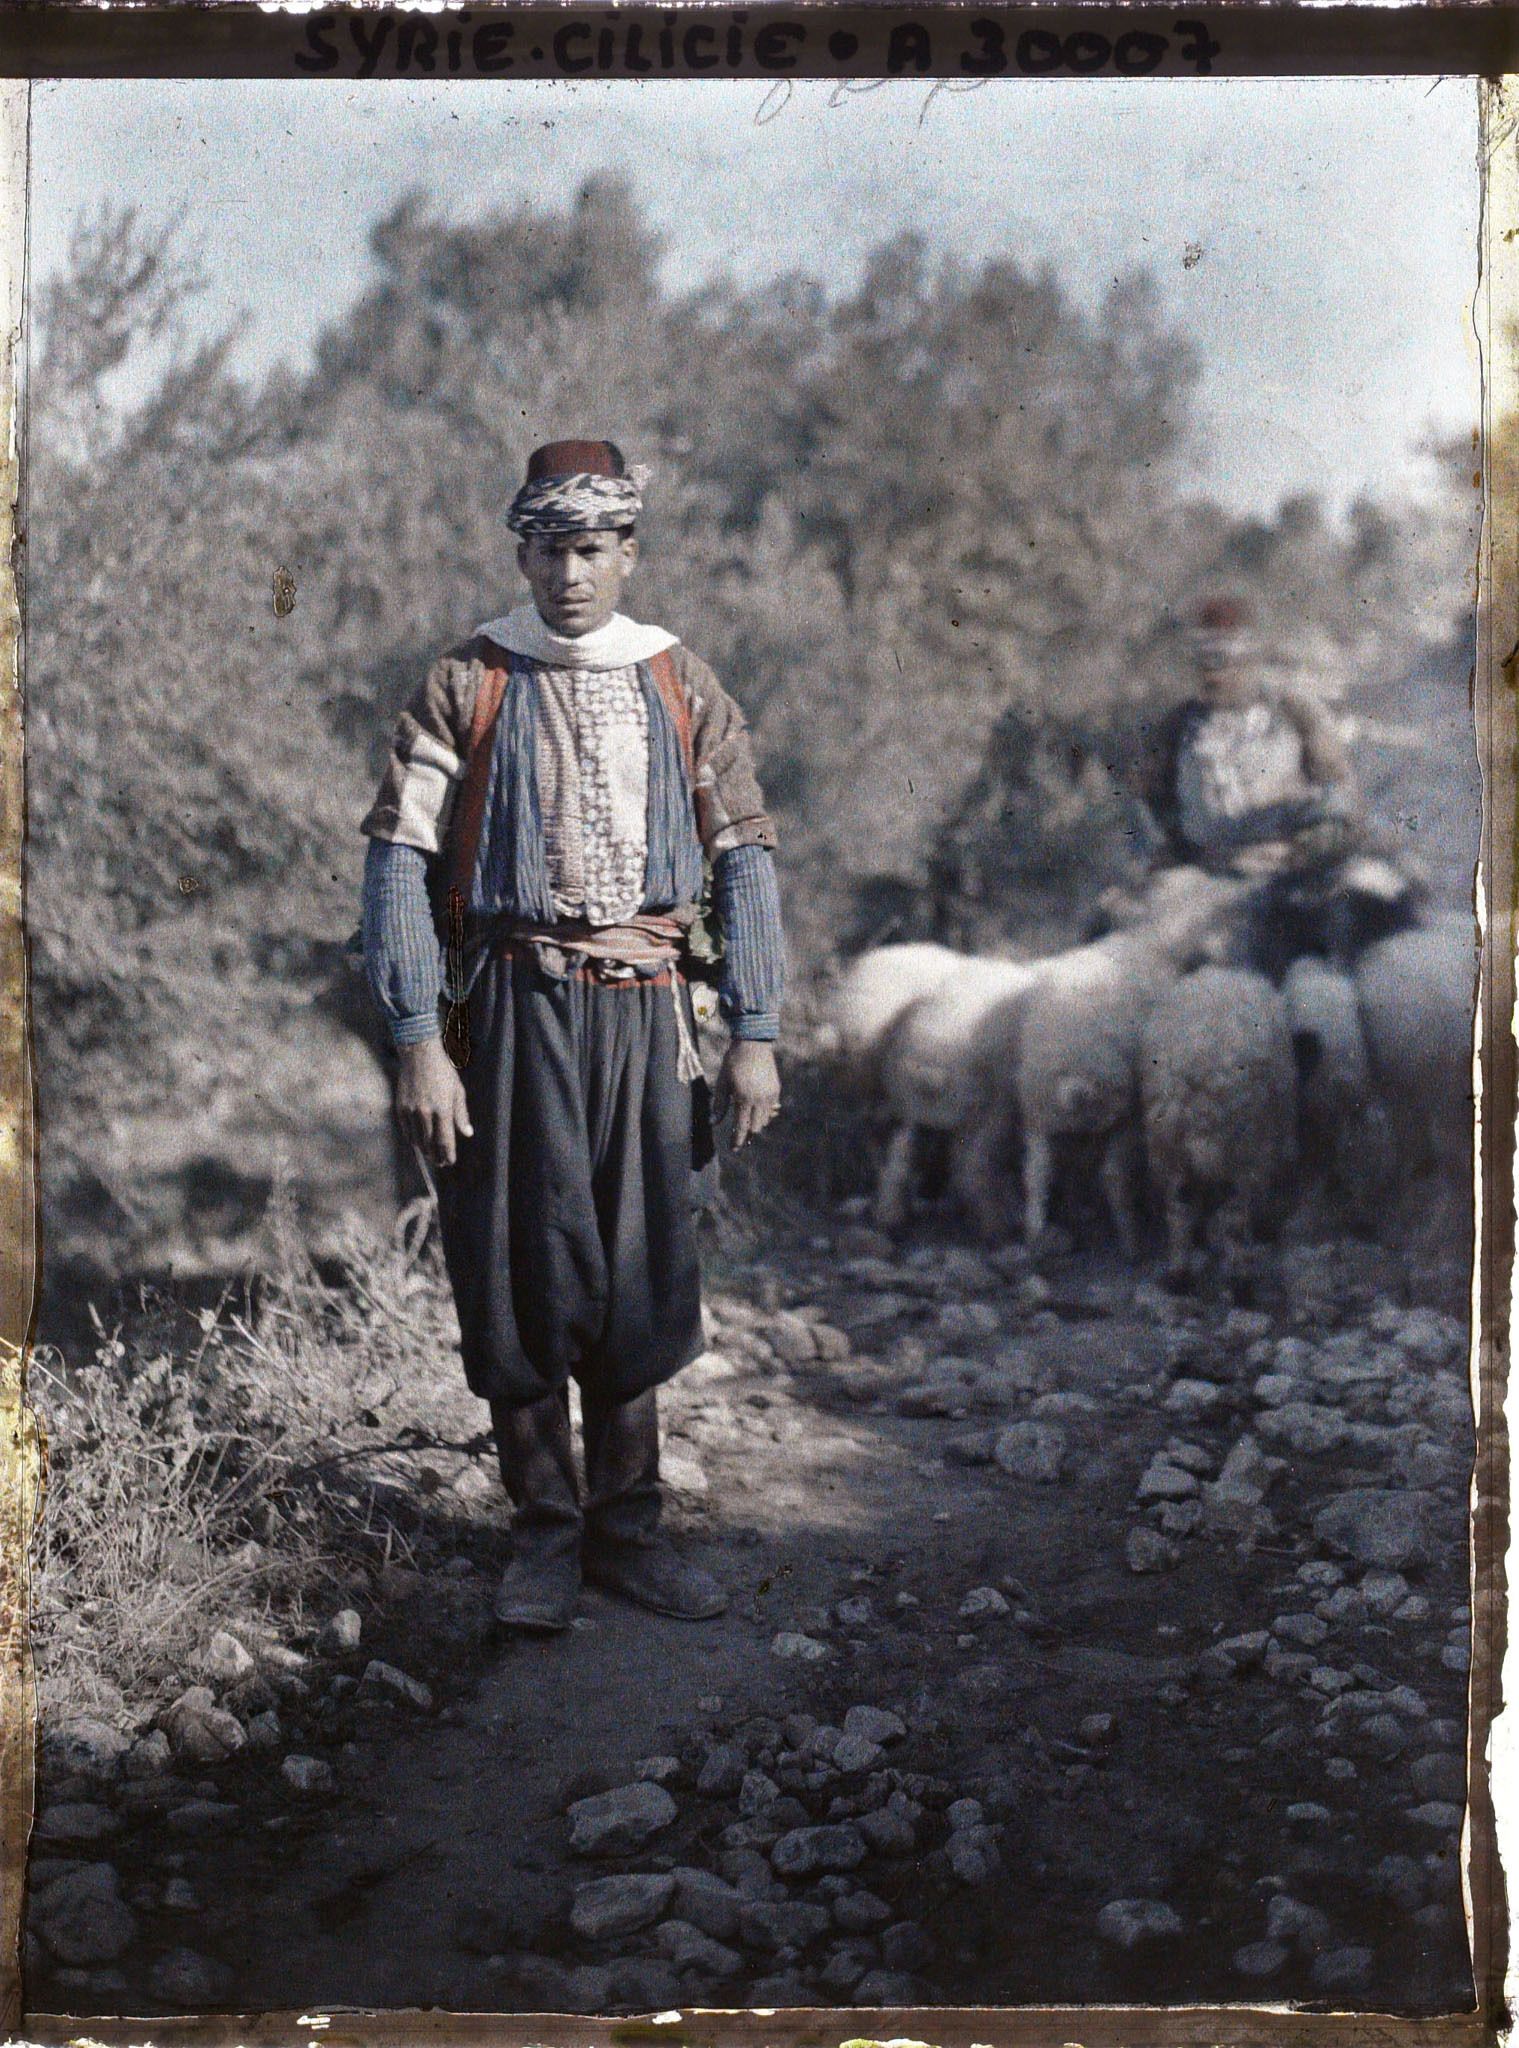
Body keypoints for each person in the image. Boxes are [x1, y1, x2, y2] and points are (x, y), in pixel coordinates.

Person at [359, 439, 784, 1632]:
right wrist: (416, 1036)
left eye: (592, 548)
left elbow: (744, 855)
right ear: (523, 552)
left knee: (642, 1258)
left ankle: (628, 1530)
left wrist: (755, 1025)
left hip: (646, 1010)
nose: (570, 574)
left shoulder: (681, 682)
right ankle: (543, 1533)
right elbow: (397, 861)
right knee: (519, 1260)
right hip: (508, 1005)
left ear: (628, 551)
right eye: (548, 549)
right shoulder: (467, 678)